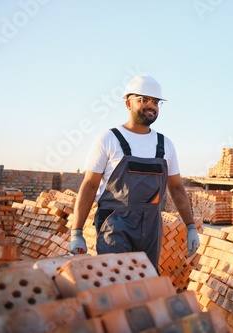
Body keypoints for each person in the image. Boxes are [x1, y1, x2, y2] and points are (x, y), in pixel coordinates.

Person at [69, 75, 200, 269]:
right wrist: (76, 233)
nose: (151, 105)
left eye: (155, 102)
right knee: (117, 281)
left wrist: (190, 227)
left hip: (151, 225)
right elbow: (89, 185)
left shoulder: (165, 144)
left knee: (146, 284)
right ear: (128, 103)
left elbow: (177, 188)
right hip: (115, 224)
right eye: (143, 99)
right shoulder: (109, 139)